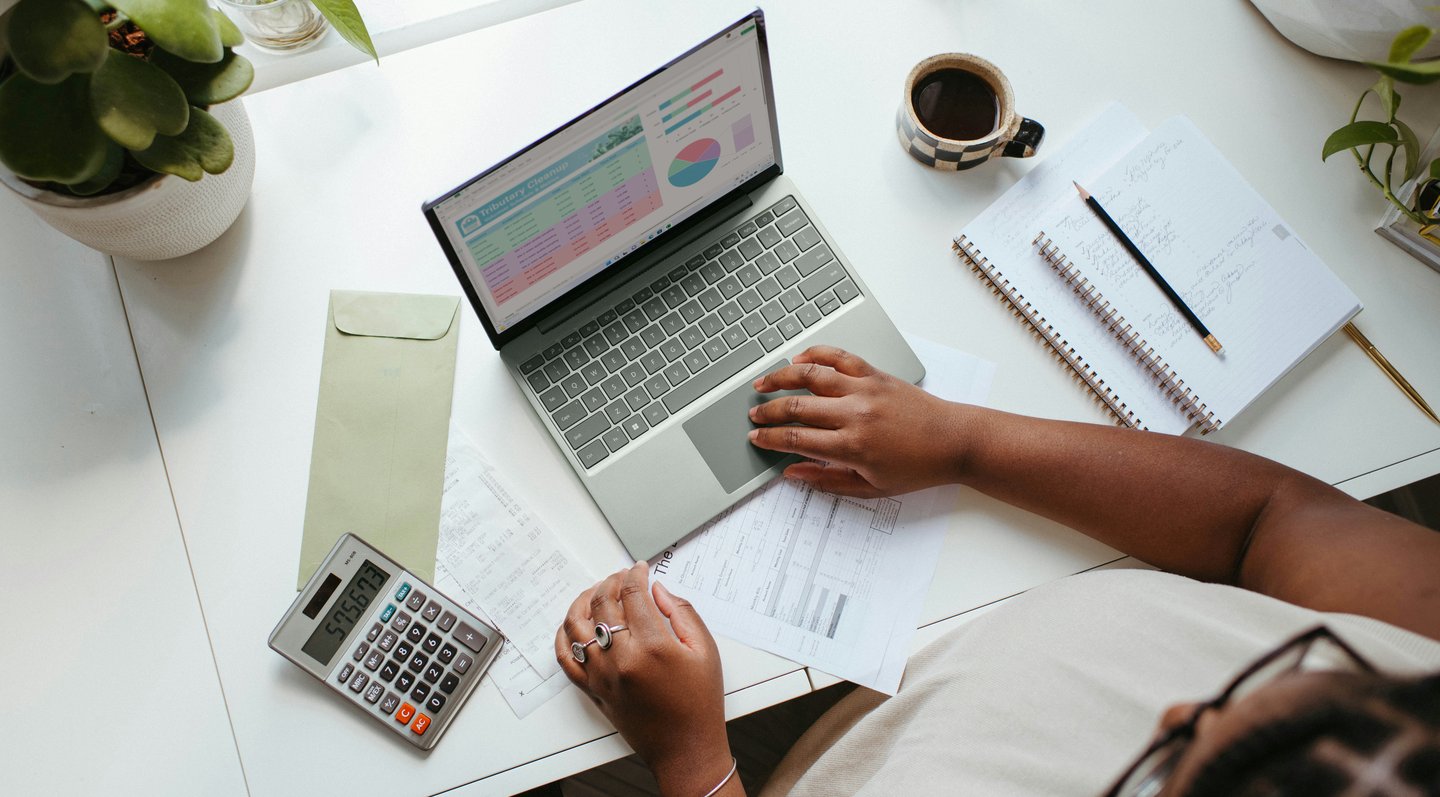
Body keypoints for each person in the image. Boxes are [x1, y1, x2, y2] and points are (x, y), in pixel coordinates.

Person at [554, 346, 1440, 796]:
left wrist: (693, 761)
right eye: (1301, 664)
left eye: (1168, 762)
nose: (1176, 704)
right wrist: (965, 442)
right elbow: (1271, 519)